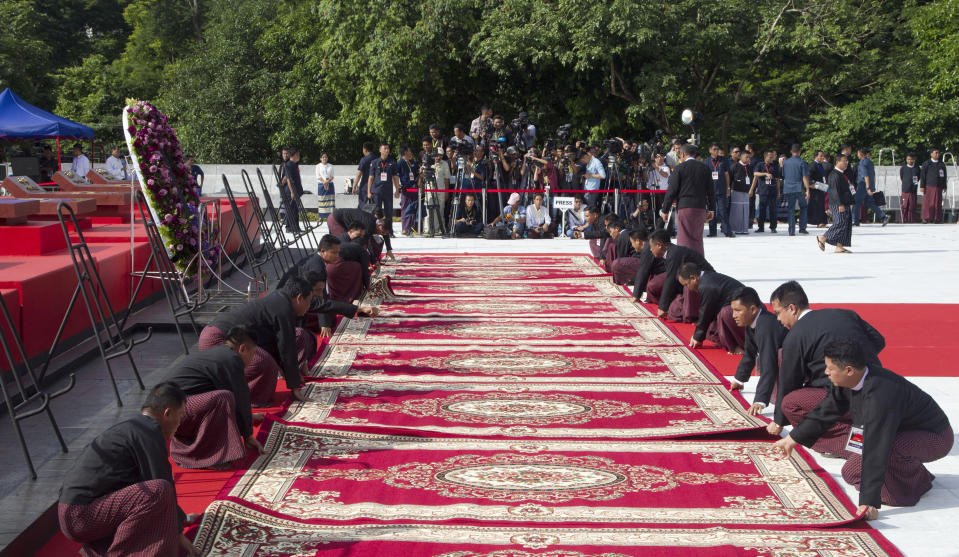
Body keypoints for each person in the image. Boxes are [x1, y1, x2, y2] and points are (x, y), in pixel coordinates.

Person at [774, 339, 953, 518]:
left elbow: (876, 446)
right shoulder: (853, 379)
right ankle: (905, 471)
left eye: (830, 368)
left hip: (935, 437)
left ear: (849, 370)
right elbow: (828, 408)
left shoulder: (881, 396)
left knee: (874, 469)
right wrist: (794, 437)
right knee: (852, 471)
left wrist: (868, 501)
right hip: (898, 430)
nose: (826, 372)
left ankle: (917, 481)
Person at [58, 383, 199, 557]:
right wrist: (178, 536)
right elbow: (161, 482)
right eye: (180, 415)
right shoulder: (148, 431)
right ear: (167, 413)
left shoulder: (136, 427)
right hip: (80, 516)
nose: (179, 423)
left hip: (73, 514)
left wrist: (181, 519)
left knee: (151, 493)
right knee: (159, 490)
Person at [198, 275, 370, 405]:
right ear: (299, 298)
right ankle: (248, 400)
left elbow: (321, 305)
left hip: (242, 339)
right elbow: (286, 347)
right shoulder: (283, 308)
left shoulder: (286, 298)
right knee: (265, 363)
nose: (310, 307)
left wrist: (355, 309)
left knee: (301, 335)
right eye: (308, 302)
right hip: (218, 339)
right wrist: (294, 387)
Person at [767, 281, 886, 457]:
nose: (778, 319)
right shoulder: (846, 314)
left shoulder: (796, 335)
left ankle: (853, 445)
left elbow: (789, 381)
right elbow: (878, 340)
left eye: (778, 313)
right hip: (878, 387)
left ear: (791, 308)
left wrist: (779, 420)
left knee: (791, 403)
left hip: (844, 398)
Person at [161, 327, 263, 469]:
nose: (252, 360)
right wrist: (248, 435)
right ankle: (208, 456)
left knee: (223, 396)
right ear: (242, 349)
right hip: (175, 414)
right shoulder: (231, 358)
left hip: (173, 409)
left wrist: (248, 418)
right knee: (223, 397)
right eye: (252, 354)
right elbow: (241, 395)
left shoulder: (221, 354)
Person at [729, 287, 787, 416]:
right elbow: (750, 352)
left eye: (738, 310)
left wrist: (760, 400)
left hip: (793, 364)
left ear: (753, 310)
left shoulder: (766, 325)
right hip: (778, 362)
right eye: (733, 310)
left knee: (777, 356)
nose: (733, 315)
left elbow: (769, 363)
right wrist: (739, 379)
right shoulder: (753, 321)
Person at [643, 229, 714, 322]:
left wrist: (663, 307)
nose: (651, 250)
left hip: (703, 282)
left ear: (659, 245)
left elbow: (670, 280)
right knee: (656, 287)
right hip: (684, 282)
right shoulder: (670, 252)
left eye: (652, 247)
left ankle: (692, 316)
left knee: (674, 312)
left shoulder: (674, 253)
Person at [676, 263, 746, 353]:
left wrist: (697, 337)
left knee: (725, 313)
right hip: (729, 305)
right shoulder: (705, 278)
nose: (688, 288)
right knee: (711, 331)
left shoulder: (706, 285)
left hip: (744, 309)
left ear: (693, 278)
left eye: (687, 284)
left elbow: (705, 311)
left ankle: (739, 346)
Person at [660, 143, 715, 255]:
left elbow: (672, 191)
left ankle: (685, 264)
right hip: (700, 207)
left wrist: (665, 210)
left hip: (685, 206)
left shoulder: (679, 168)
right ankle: (698, 263)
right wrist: (712, 209)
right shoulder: (705, 168)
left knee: (685, 238)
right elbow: (711, 191)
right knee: (697, 238)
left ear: (683, 154)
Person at [817, 153, 855, 254]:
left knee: (845, 224)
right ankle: (823, 238)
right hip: (838, 204)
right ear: (837, 162)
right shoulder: (834, 175)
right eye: (844, 161)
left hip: (844, 202)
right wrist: (840, 204)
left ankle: (839, 246)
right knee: (840, 223)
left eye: (847, 161)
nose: (846, 163)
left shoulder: (841, 174)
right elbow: (834, 191)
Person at [852, 148, 889, 226]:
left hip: (863, 185)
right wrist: (872, 186)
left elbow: (866, 176)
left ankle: (854, 220)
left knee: (856, 202)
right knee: (869, 202)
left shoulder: (862, 163)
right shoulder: (870, 162)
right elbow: (873, 175)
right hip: (870, 184)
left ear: (861, 154)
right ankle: (883, 216)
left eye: (858, 153)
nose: (857, 155)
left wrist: (867, 187)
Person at [367, 143, 399, 226]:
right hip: (377, 191)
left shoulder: (392, 163)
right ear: (380, 150)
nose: (387, 150)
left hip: (388, 191)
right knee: (377, 211)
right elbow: (371, 178)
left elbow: (395, 177)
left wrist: (397, 190)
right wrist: (368, 192)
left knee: (389, 211)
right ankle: (375, 229)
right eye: (385, 148)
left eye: (388, 148)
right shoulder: (374, 162)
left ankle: (389, 231)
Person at [781, 144, 810, 236]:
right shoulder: (802, 162)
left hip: (789, 187)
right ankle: (802, 228)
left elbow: (784, 175)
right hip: (799, 188)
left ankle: (791, 230)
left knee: (790, 209)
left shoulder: (785, 162)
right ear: (800, 151)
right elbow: (805, 177)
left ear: (791, 151)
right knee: (803, 207)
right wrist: (808, 189)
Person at [705, 142, 732, 238]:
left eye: (717, 149)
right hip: (711, 191)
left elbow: (727, 174)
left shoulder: (723, 160)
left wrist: (728, 187)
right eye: (714, 149)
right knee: (712, 211)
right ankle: (712, 232)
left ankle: (727, 231)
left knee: (723, 211)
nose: (716, 151)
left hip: (721, 189)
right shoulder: (706, 161)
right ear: (710, 150)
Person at [751, 149, 781, 233]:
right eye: (770, 157)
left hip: (773, 190)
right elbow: (755, 174)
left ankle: (773, 227)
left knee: (773, 210)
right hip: (763, 190)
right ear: (765, 157)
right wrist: (765, 174)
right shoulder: (760, 165)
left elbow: (777, 180)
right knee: (762, 209)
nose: (771, 158)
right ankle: (761, 227)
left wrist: (778, 191)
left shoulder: (775, 166)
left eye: (772, 157)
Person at [396, 145, 420, 235]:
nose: (411, 153)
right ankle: (405, 228)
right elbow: (396, 176)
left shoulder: (412, 162)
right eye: (409, 151)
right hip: (406, 188)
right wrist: (398, 187)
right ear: (405, 152)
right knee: (405, 208)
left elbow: (416, 173)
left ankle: (414, 227)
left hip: (414, 187)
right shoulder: (399, 163)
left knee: (414, 207)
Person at [920, 148, 948, 223]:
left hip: (938, 186)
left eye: (938, 153)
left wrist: (944, 186)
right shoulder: (926, 163)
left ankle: (936, 218)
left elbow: (944, 176)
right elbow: (922, 176)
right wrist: (922, 186)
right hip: (929, 186)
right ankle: (925, 218)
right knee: (927, 202)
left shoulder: (941, 164)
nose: (937, 154)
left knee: (937, 202)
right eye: (936, 153)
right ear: (931, 154)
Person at [727, 150, 752, 234]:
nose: (748, 159)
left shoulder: (749, 167)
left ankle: (744, 228)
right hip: (736, 191)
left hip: (746, 191)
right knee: (736, 210)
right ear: (741, 157)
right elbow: (729, 179)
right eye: (746, 157)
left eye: (749, 157)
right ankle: (735, 228)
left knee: (745, 210)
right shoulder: (734, 166)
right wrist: (729, 189)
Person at [281, 149, 304, 233]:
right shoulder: (288, 165)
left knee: (295, 210)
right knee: (290, 209)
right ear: (294, 155)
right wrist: (292, 192)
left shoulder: (294, 164)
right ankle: (289, 227)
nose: (299, 156)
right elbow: (288, 180)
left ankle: (296, 227)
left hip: (296, 190)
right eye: (298, 155)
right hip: (290, 191)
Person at [807, 150, 829, 228]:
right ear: (816, 156)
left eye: (823, 156)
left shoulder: (821, 165)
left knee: (821, 204)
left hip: (821, 186)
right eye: (821, 156)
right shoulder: (812, 165)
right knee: (817, 205)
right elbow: (809, 177)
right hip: (815, 187)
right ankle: (820, 222)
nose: (822, 157)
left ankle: (821, 221)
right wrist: (814, 184)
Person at [900, 154, 921, 223]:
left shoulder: (917, 168)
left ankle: (911, 219)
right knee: (904, 205)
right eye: (908, 159)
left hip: (913, 190)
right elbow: (901, 177)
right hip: (905, 189)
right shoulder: (903, 168)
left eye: (911, 159)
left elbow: (918, 178)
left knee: (912, 205)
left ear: (914, 160)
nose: (910, 161)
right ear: (906, 160)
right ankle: (903, 219)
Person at [315, 152, 335, 222]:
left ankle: (331, 216)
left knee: (330, 201)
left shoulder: (331, 166)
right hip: (321, 185)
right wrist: (324, 182)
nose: (324, 158)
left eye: (326, 157)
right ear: (320, 158)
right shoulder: (318, 166)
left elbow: (332, 176)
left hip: (330, 184)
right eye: (323, 157)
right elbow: (318, 176)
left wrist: (327, 182)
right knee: (322, 200)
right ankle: (321, 217)